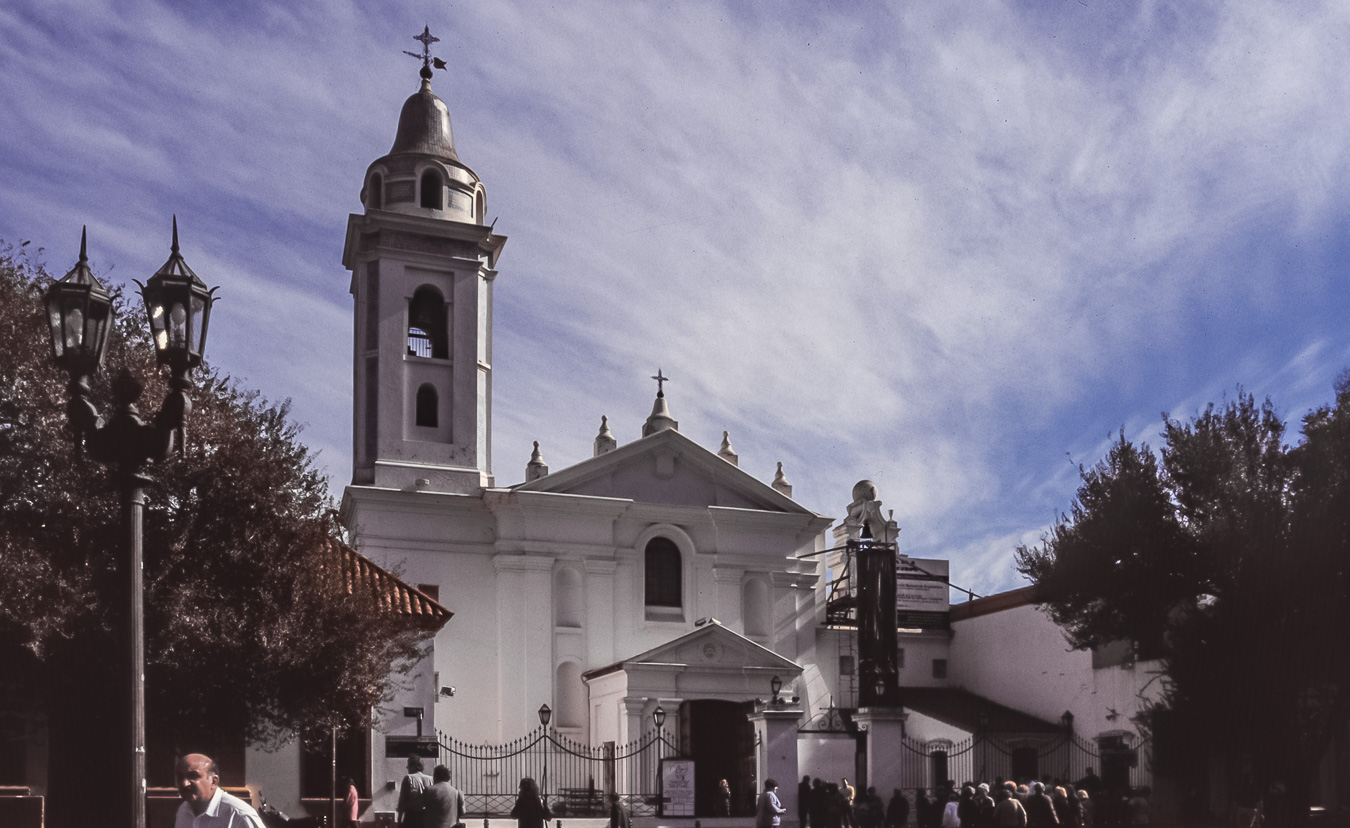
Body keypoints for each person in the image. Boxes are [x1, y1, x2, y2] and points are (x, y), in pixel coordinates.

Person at [174, 752, 266, 828]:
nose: (184, 784)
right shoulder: (184, 810)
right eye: (180, 777)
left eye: (193, 776)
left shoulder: (240, 815)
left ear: (214, 782)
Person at [399, 756, 435, 827]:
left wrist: (399, 818)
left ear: (413, 766)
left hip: (412, 815)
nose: (407, 767)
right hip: (427, 816)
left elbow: (402, 800)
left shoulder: (408, 778)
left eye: (408, 765)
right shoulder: (431, 779)